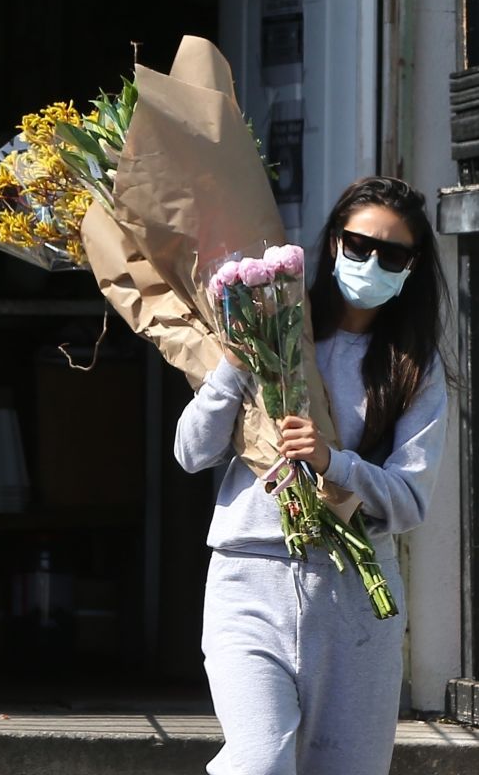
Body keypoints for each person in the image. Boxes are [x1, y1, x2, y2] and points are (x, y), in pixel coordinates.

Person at [174, 176, 450, 775]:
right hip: (250, 579)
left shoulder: (414, 369)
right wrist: (234, 358)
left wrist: (334, 462)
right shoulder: (274, 330)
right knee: (257, 760)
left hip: (356, 598)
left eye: (393, 254)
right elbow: (191, 452)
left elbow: (409, 500)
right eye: (358, 246)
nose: (372, 262)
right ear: (332, 245)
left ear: (413, 266)